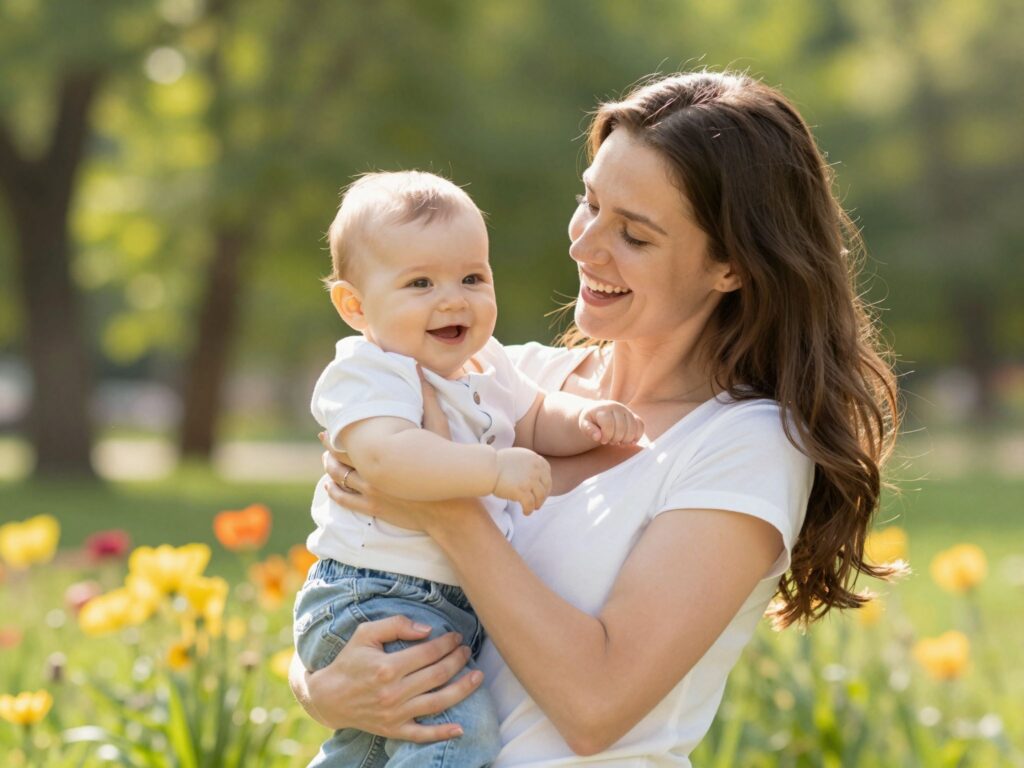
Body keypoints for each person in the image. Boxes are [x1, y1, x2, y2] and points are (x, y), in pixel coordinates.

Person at [290, 70, 900, 766]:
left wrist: (445, 508)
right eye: (590, 203)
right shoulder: (505, 380)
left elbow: (594, 708)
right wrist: (322, 688)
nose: (584, 246)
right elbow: (355, 565)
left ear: (730, 266)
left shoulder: (747, 445)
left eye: (634, 235)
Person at [297, 171, 644, 767]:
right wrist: (489, 469)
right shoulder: (371, 371)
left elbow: (533, 415)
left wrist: (584, 419)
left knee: (372, 747)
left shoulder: (485, 364)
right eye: (420, 283)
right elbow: (386, 458)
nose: (453, 299)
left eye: (472, 277)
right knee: (456, 735)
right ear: (355, 306)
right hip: (374, 596)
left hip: (435, 604)